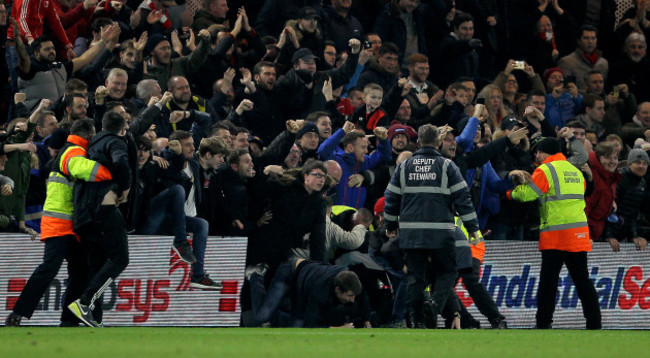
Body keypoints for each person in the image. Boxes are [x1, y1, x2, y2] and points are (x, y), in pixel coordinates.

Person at [4, 119, 112, 327]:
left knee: (79, 272)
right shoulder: (73, 153)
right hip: (60, 224)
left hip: (70, 225)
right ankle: (18, 313)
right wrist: (114, 172)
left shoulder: (70, 150)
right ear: (89, 136)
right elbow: (93, 172)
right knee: (50, 269)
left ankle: (68, 321)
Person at [384, 124, 481, 329]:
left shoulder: (404, 166)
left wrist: (391, 224)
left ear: (418, 142)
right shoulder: (447, 166)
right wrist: (472, 228)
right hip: (441, 233)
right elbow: (463, 199)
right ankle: (435, 303)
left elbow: (391, 198)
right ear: (438, 142)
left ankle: (417, 320)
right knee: (447, 271)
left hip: (411, 233)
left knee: (415, 277)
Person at [507, 137, 601, 330]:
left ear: (544, 153)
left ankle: (543, 323)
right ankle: (594, 323)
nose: (536, 156)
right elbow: (583, 192)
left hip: (556, 235)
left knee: (548, 283)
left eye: (538, 152)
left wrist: (509, 193)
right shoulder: (574, 170)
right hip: (579, 233)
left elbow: (528, 194)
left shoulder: (545, 170)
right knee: (583, 281)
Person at [68, 111, 132, 327]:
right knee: (120, 258)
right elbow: (121, 162)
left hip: (84, 210)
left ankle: (94, 317)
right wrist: (124, 187)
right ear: (122, 128)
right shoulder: (116, 142)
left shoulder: (92, 143)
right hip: (104, 207)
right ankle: (84, 302)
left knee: (98, 263)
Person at [247, 258, 362, 328]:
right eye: (350, 296)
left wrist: (367, 321)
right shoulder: (320, 290)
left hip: (305, 281)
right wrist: (338, 328)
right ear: (337, 289)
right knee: (261, 316)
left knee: (297, 324)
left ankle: (273, 317)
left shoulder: (350, 279)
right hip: (289, 272)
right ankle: (256, 274)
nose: (352, 299)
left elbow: (363, 300)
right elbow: (309, 325)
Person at [604, 149, 650, 252]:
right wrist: (608, 236)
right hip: (606, 232)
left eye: (644, 163)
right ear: (629, 164)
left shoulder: (642, 183)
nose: (641, 166)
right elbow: (607, 209)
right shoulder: (619, 178)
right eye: (637, 162)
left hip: (622, 231)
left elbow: (632, 213)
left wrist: (633, 236)